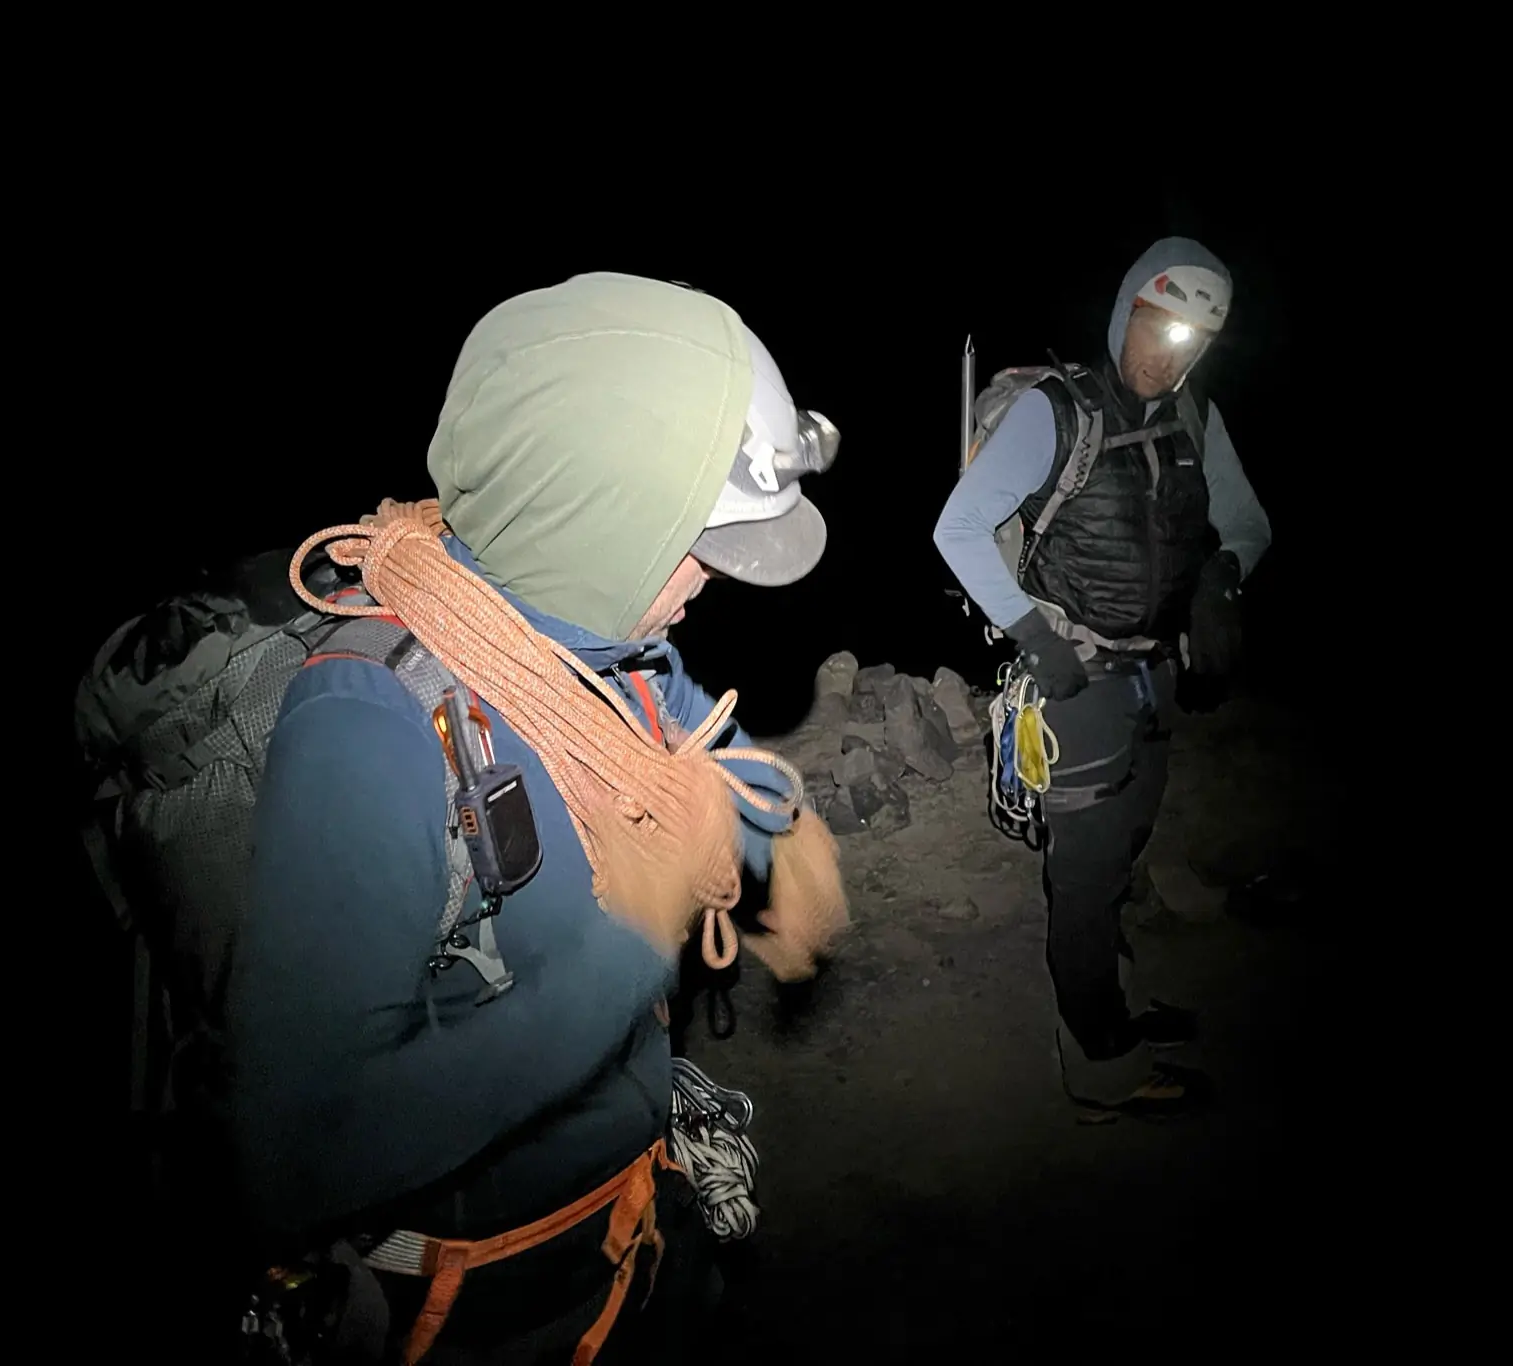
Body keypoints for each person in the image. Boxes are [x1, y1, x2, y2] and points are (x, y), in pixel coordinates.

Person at [223, 272, 849, 1362]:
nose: (714, 579)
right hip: (483, 1314)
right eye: (697, 541)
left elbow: (705, 746)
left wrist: (776, 833)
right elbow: (302, 1151)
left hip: (636, 1223)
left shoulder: (610, 650)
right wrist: (635, 946)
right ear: (590, 523)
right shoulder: (367, 730)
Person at [933, 237, 1273, 1117]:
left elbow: (1248, 523)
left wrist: (1221, 576)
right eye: (1157, 325)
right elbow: (956, 529)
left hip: (1154, 676)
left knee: (1123, 850)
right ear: (1127, 313)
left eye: (1190, 340)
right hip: (1073, 683)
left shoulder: (1193, 417)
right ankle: (1099, 1066)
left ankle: (1109, 1002)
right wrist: (1030, 636)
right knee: (1082, 879)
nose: (1167, 353)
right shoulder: (1057, 411)